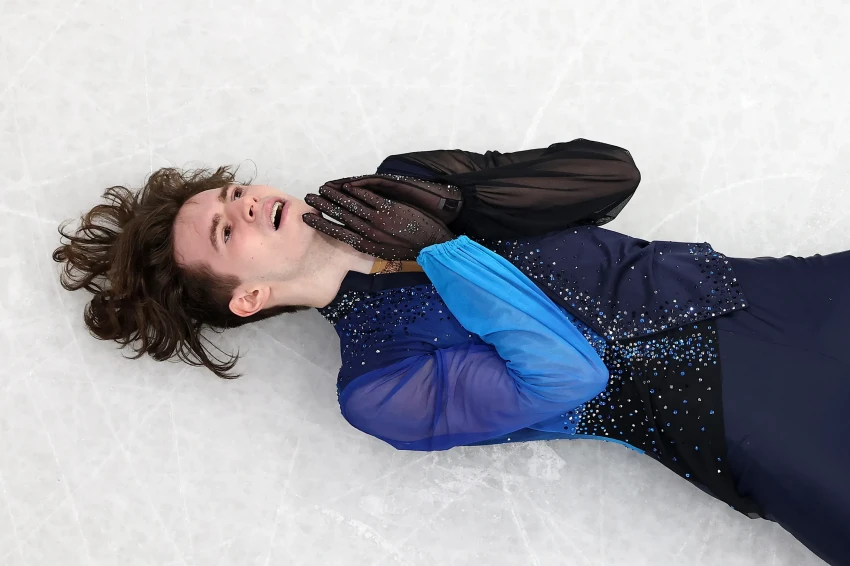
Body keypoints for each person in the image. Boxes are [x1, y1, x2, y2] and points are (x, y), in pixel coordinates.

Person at [52, 139, 849, 565]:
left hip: (782, 297)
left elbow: (611, 174)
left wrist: (455, 199)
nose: (251, 205)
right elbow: (569, 375)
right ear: (248, 297)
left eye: (235, 195)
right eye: (229, 231)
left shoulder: (406, 181)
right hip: (748, 426)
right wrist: (443, 250)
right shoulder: (379, 384)